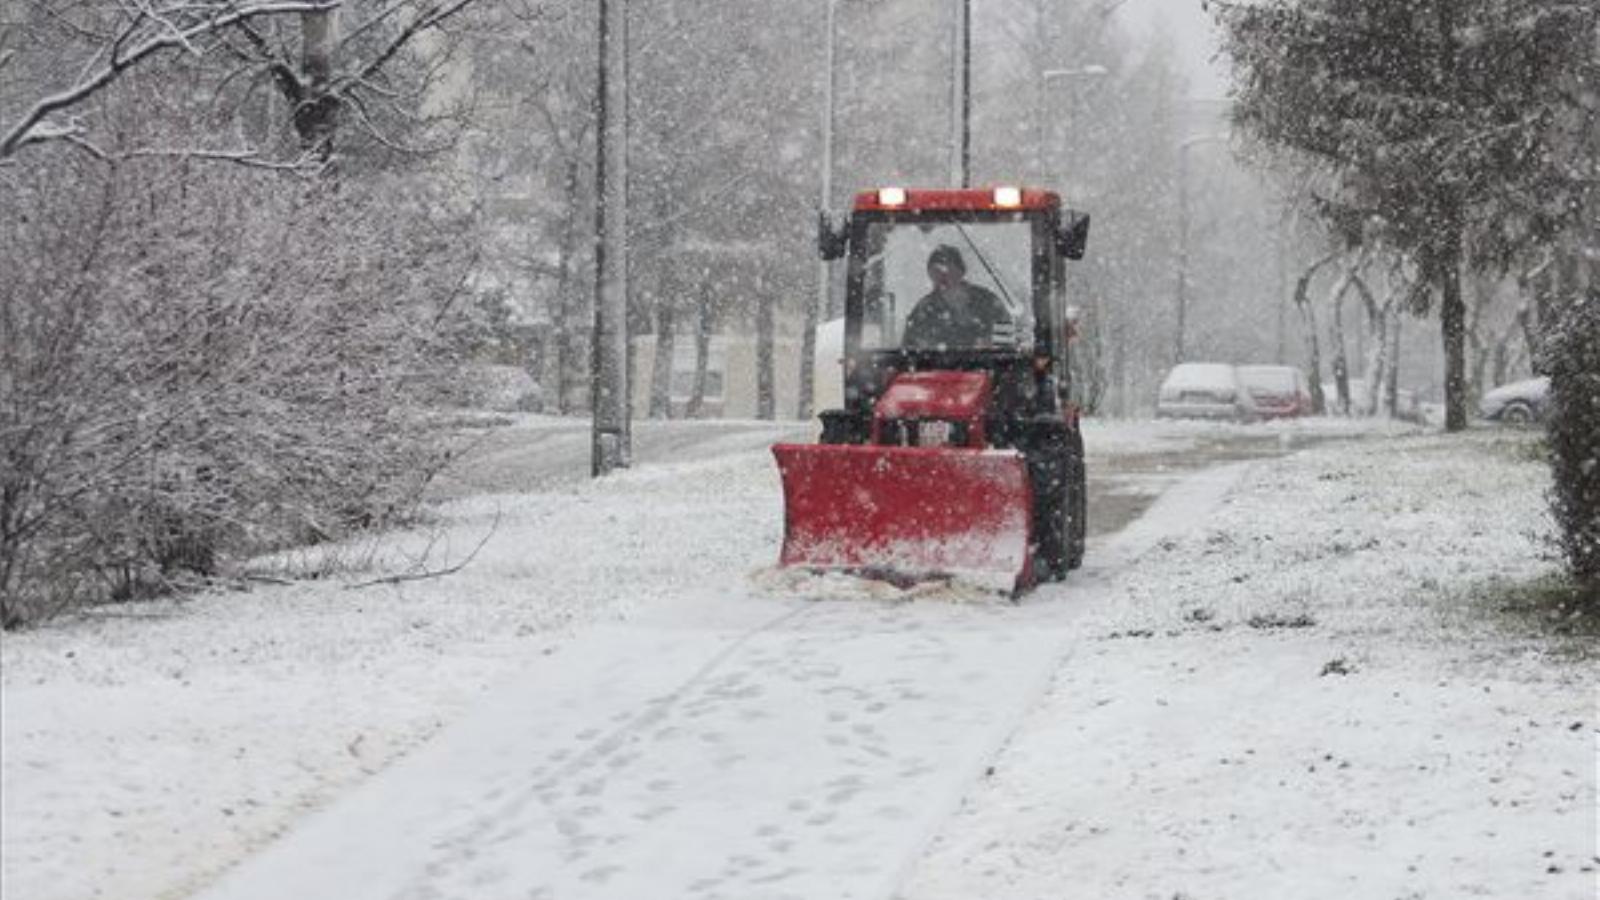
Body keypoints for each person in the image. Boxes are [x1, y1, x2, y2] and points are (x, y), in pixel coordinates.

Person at [901, 244, 1013, 350]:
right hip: (937, 369)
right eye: (935, 272)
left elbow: (1007, 343)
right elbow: (909, 351)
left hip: (985, 367)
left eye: (947, 270)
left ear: (961, 271)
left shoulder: (988, 302)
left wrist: (989, 345)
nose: (941, 277)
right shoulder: (923, 310)